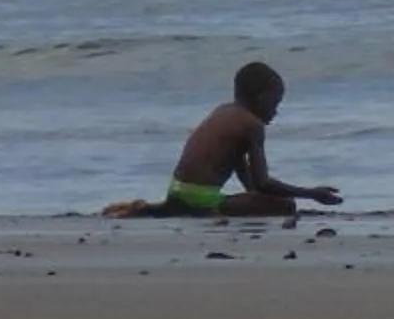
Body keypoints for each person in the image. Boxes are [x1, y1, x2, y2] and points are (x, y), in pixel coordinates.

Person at [102, 61, 340, 218]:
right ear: (260, 97)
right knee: (286, 206)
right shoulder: (252, 125)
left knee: (262, 202)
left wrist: (256, 197)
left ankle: (145, 209)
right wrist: (312, 193)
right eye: (275, 103)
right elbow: (263, 182)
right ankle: (164, 209)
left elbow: (241, 168)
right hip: (203, 200)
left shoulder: (224, 111)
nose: (276, 112)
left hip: (177, 191)